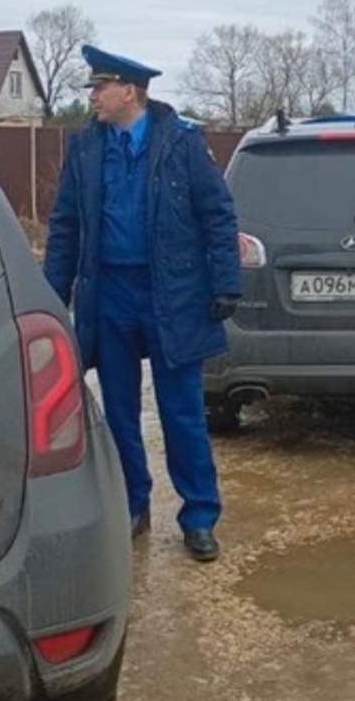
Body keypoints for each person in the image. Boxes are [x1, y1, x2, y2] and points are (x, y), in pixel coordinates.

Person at [43, 45, 241, 563]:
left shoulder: (182, 143)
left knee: (182, 412)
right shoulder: (86, 147)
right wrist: (49, 296)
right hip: (109, 296)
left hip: (171, 295)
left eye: (99, 87)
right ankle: (134, 504)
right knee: (121, 413)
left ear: (128, 91)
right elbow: (65, 226)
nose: (92, 97)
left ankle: (199, 517)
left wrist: (226, 282)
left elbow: (217, 215)